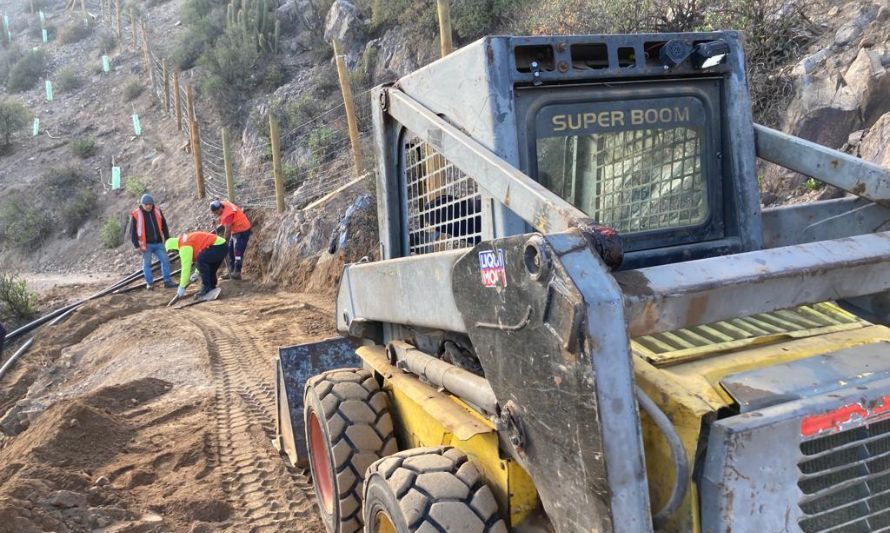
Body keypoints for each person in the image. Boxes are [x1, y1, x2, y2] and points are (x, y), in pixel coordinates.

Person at [130, 193, 175, 290]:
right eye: (146, 204)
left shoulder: (157, 211)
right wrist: (136, 245)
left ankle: (167, 281)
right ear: (142, 204)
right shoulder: (136, 214)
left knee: (165, 261)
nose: (148, 206)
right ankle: (150, 283)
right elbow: (132, 231)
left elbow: (164, 225)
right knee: (147, 264)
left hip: (158, 243)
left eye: (150, 204)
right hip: (146, 244)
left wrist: (167, 238)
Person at [165, 232, 227, 299]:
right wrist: (197, 272)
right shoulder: (185, 240)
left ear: (173, 247)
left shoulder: (184, 246)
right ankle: (211, 287)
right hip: (222, 246)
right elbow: (199, 256)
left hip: (217, 247)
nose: (175, 253)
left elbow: (186, 268)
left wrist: (182, 286)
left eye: (173, 251)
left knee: (202, 260)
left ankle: (206, 289)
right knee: (209, 267)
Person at [209, 199, 252, 280]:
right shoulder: (223, 204)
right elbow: (223, 217)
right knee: (231, 251)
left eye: (217, 212)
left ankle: (237, 272)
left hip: (242, 231)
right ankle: (232, 271)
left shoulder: (227, 214)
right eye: (215, 214)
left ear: (219, 208)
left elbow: (227, 230)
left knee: (237, 253)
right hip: (236, 231)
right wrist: (217, 220)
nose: (217, 214)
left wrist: (223, 242)